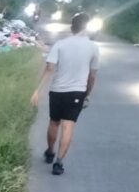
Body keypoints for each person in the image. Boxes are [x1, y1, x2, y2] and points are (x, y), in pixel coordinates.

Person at [30, 12, 100, 176]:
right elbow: (92, 76)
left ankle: (50, 152)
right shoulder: (93, 47)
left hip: (57, 91)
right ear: (86, 28)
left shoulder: (60, 45)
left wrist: (37, 90)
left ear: (71, 27)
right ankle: (59, 163)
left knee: (54, 122)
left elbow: (49, 68)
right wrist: (87, 94)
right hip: (77, 92)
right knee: (68, 126)